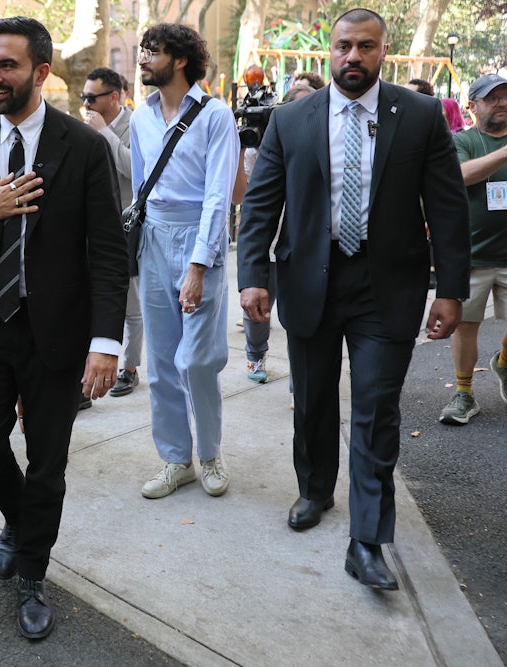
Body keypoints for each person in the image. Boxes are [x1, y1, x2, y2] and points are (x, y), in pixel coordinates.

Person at [238, 9, 470, 590]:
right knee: (313, 399)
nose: (353, 57)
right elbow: (261, 205)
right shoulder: (290, 120)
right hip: (309, 283)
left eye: (366, 47)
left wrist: (451, 289)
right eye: (344, 46)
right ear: (330, 53)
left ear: (383, 53)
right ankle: (314, 490)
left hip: (386, 287)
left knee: (374, 408)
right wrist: (252, 275)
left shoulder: (417, 116)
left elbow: (446, 206)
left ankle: (367, 540)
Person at [0, 16, 127, 639]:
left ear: (41, 72)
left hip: (56, 333)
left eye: (7, 66)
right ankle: (20, 521)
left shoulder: (84, 146)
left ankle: (33, 575)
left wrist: (105, 343)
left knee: (48, 462)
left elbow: (106, 252)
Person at [131, 23, 238, 500]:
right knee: (160, 363)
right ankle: (177, 459)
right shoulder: (140, 117)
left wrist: (198, 264)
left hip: (201, 240)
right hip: (154, 237)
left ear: (178, 60)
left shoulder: (216, 115)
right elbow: (139, 189)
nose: (142, 60)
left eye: (151, 52)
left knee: (196, 360)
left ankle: (210, 454)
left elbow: (219, 196)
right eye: (142, 51)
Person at [233, 83, 315, 384]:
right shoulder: (263, 146)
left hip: (304, 246)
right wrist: (242, 145)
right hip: (268, 244)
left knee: (303, 317)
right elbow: (242, 197)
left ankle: (300, 379)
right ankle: (255, 356)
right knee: (258, 311)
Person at [438, 74, 507, 426]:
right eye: (492, 98)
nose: (502, 103)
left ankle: (504, 362)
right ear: (473, 105)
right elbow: (461, 175)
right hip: (473, 253)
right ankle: (463, 393)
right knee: (466, 325)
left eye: (506, 97)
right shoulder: (461, 140)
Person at [83, 66, 143, 399]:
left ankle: (129, 367)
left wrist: (104, 131)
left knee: (130, 302)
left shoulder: (135, 124)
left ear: (115, 96)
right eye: (84, 97)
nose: (87, 103)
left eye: (92, 97)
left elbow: (136, 172)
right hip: (94, 225)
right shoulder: (88, 126)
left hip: (126, 225)